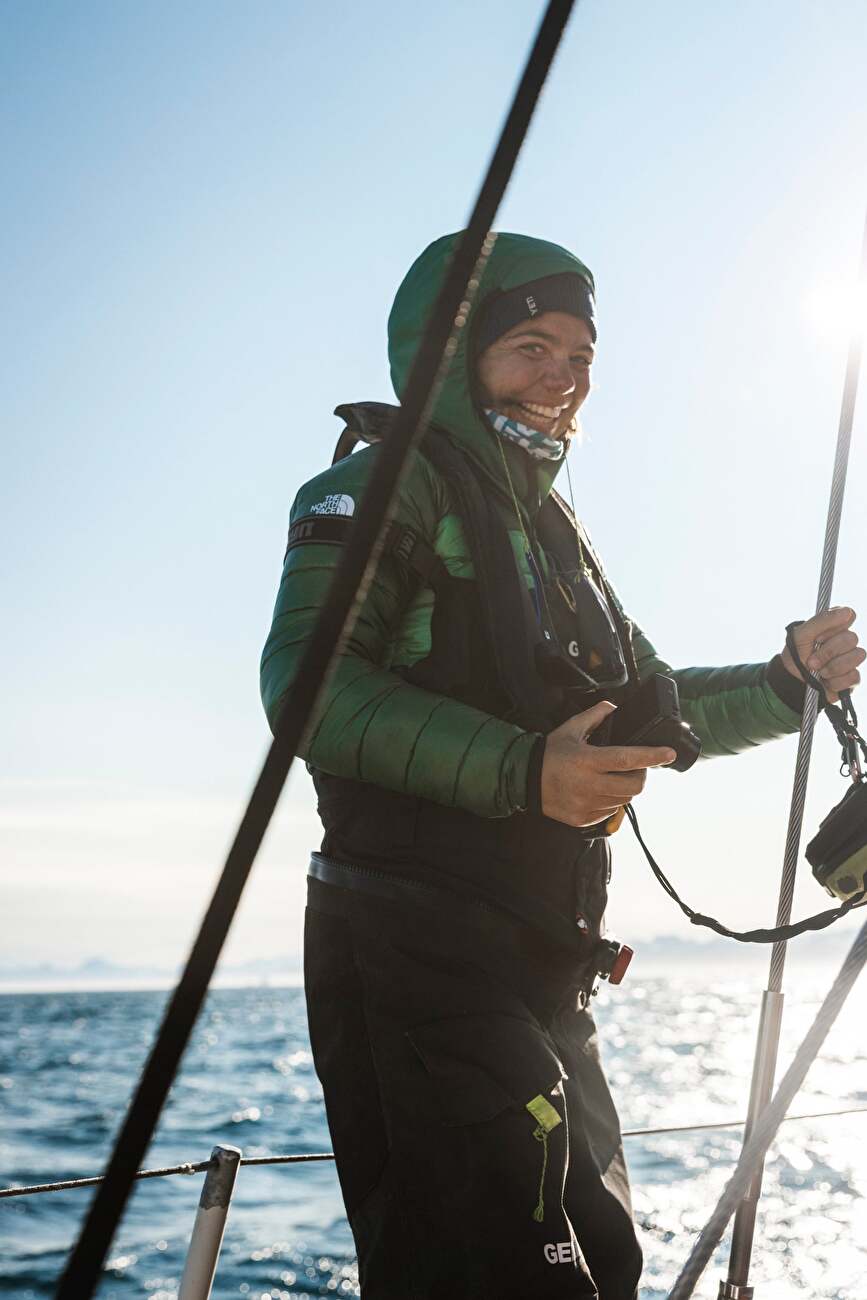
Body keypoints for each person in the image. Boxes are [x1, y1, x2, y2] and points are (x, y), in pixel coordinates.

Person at [260, 231, 863, 1299]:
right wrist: (524, 768)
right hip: (414, 956)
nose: (563, 378)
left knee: (606, 1260)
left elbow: (664, 705)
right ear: (451, 356)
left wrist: (785, 682)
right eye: (531, 345)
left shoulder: (553, 535)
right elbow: (310, 690)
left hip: (544, 969)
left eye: (581, 355)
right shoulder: (374, 490)